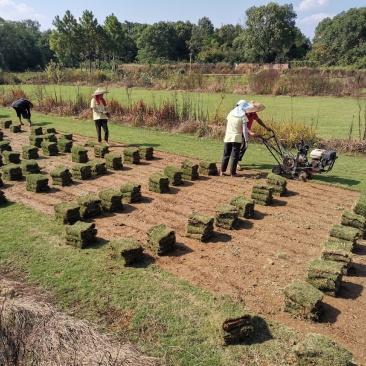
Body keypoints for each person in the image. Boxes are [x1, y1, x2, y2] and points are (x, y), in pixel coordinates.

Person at [220, 100, 253, 177]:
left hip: (228, 137)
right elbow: (244, 130)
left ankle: (222, 171)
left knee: (226, 154)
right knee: (234, 156)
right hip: (237, 138)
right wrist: (246, 139)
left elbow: (228, 125)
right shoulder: (243, 117)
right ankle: (233, 173)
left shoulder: (230, 114)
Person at [237, 101, 272, 170]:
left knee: (244, 146)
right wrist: (250, 132)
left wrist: (266, 127)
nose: (253, 111)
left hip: (245, 133)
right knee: (240, 146)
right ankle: (236, 163)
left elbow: (258, 119)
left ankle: (236, 161)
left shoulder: (253, 114)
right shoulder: (243, 114)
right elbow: (242, 126)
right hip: (238, 132)